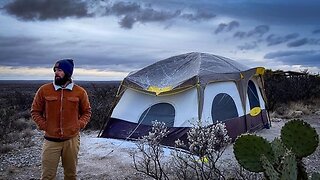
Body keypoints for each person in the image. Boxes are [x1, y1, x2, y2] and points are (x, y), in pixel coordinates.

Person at [31, 59, 91, 180]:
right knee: (47, 176)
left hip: (71, 140)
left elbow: (87, 112)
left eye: (59, 70)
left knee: (70, 175)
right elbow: (35, 111)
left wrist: (79, 124)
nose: (56, 73)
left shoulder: (80, 92)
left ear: (68, 73)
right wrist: (44, 125)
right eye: (55, 70)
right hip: (51, 140)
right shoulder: (44, 90)